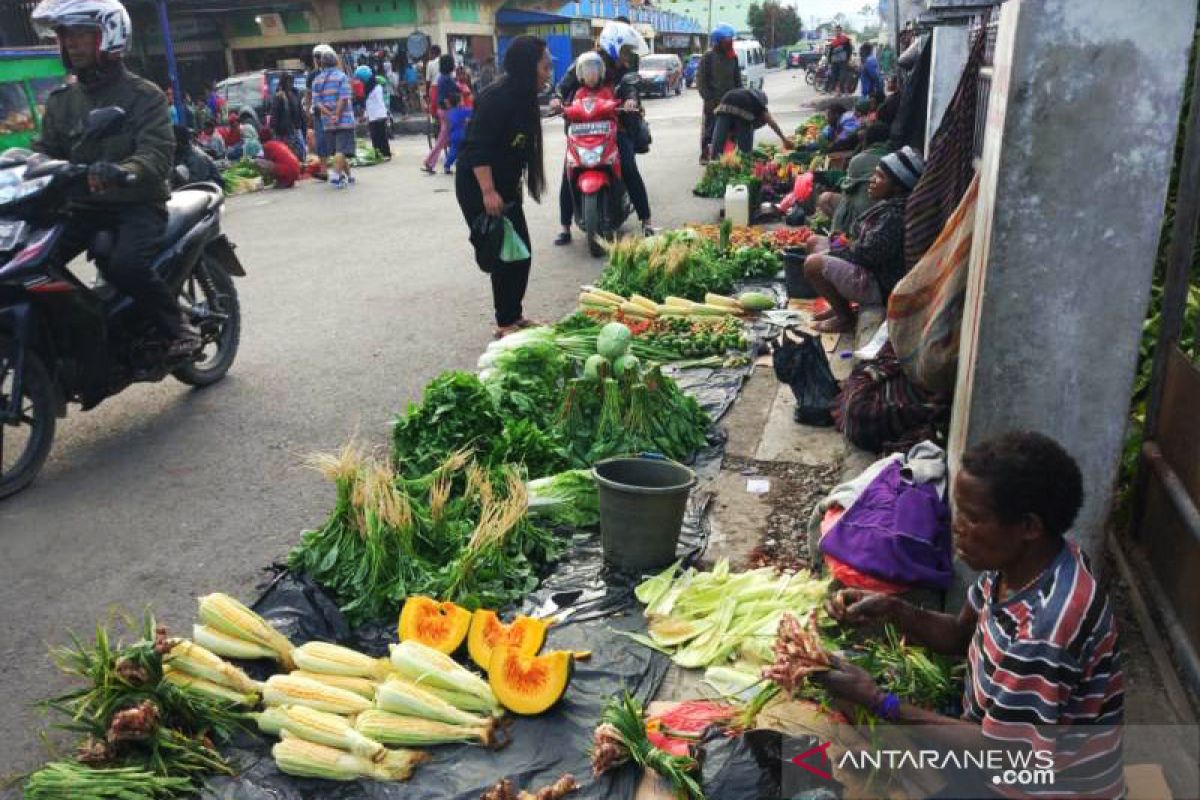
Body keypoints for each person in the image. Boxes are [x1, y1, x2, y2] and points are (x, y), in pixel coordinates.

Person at [818, 431, 1124, 799]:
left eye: (973, 518)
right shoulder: (1025, 563)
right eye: (959, 511)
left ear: (1028, 526)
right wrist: (890, 607)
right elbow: (961, 634)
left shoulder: (1044, 632)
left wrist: (880, 700)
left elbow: (1005, 753)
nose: (956, 526)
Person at [30, 0, 198, 357]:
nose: (70, 44)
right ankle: (82, 330)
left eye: (79, 34)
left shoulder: (144, 96)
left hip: (136, 205)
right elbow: (45, 152)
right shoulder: (62, 102)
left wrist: (123, 171)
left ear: (109, 37)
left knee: (125, 265)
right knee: (31, 261)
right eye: (64, 36)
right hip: (82, 207)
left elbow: (155, 154)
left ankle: (178, 327)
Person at [455, 35, 549, 339]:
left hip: (505, 186)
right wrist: (488, 192)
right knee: (502, 254)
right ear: (528, 67)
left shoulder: (525, 96)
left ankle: (514, 315)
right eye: (545, 67)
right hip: (479, 185)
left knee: (520, 252)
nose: (549, 72)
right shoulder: (497, 98)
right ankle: (505, 322)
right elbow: (477, 148)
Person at [550, 21, 655, 244]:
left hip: (615, 127)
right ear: (613, 45)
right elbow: (564, 85)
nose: (627, 55)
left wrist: (630, 101)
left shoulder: (624, 70)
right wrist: (557, 99)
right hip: (582, 128)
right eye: (625, 49)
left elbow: (631, 86)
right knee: (568, 172)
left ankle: (646, 221)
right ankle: (564, 227)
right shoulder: (585, 62)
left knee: (627, 166)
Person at [801, 146, 924, 332]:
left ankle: (845, 318)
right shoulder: (887, 206)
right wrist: (841, 242)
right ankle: (839, 307)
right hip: (867, 264)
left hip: (879, 283)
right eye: (874, 175)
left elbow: (868, 254)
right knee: (813, 242)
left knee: (813, 264)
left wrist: (838, 249)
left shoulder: (894, 216)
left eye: (880, 177)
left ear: (898, 186)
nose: (872, 181)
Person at [311, 45, 356, 188]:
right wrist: (337, 114)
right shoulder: (342, 77)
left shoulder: (316, 80)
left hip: (327, 122)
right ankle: (336, 176)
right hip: (344, 120)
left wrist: (330, 114)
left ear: (322, 63)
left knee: (337, 152)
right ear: (336, 62)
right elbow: (343, 98)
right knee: (342, 151)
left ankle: (349, 176)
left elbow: (317, 103)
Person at [697, 23, 741, 164]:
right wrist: (708, 98)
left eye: (731, 39)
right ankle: (705, 154)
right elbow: (701, 80)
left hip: (731, 101)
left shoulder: (732, 57)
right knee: (710, 129)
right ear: (719, 41)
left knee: (730, 130)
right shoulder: (708, 57)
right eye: (727, 40)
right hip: (712, 102)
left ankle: (727, 155)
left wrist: (740, 95)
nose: (730, 42)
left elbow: (737, 79)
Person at [709, 87, 793, 156]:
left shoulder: (747, 94)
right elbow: (772, 123)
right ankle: (743, 162)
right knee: (745, 151)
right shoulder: (758, 103)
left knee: (718, 142)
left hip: (725, 102)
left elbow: (729, 131)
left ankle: (714, 164)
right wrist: (784, 139)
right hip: (742, 107)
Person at [422, 54, 460, 174]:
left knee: (444, 139)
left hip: (442, 110)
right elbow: (458, 89)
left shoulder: (441, 77)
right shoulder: (448, 79)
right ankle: (431, 162)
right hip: (447, 110)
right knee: (447, 138)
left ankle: (435, 163)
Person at [271, 73, 305, 160]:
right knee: (288, 154)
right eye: (288, 81)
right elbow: (275, 115)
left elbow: (299, 111)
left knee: (300, 152)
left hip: (295, 128)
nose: (290, 84)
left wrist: (303, 124)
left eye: (292, 81)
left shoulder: (295, 93)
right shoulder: (279, 96)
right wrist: (275, 129)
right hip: (283, 131)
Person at [364, 68, 391, 160]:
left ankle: (386, 154)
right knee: (375, 137)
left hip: (379, 115)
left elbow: (379, 102)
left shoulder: (376, 88)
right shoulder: (368, 89)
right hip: (373, 115)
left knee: (381, 136)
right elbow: (367, 104)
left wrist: (385, 113)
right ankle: (378, 154)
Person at [443, 93, 471, 174]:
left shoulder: (450, 113)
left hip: (454, 135)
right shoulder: (465, 110)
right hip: (464, 134)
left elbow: (449, 126)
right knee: (466, 151)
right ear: (459, 102)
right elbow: (473, 113)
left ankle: (447, 166)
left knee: (453, 151)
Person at [826, 24, 853, 93]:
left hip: (843, 61)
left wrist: (849, 59)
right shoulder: (833, 42)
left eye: (838, 31)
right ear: (834, 32)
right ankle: (836, 90)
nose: (837, 32)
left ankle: (843, 90)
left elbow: (849, 50)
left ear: (841, 31)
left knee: (842, 76)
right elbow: (830, 53)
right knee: (834, 76)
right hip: (834, 62)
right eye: (836, 31)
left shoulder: (845, 39)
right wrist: (829, 62)